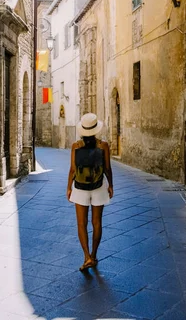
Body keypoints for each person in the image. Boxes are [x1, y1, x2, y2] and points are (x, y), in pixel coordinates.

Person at [66, 113, 114, 271]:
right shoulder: (103, 145)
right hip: (99, 187)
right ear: (95, 130)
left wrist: (68, 187)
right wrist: (111, 185)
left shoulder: (76, 146)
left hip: (80, 188)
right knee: (97, 223)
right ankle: (93, 255)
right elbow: (107, 168)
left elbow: (73, 169)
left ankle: (86, 257)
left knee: (81, 223)